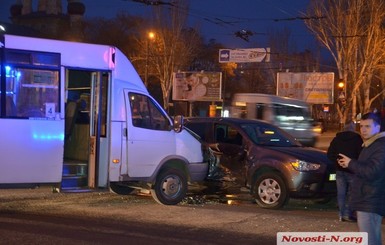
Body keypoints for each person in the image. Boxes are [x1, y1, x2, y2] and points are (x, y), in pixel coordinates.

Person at [338, 112, 385, 245]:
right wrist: (351, 164)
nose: (363, 130)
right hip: (368, 199)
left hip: (370, 200)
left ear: (378, 127)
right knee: (372, 239)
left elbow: (372, 171)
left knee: (369, 240)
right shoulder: (370, 144)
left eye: (368, 126)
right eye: (361, 126)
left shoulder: (380, 146)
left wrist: (351, 163)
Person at [327, 120, 363, 222]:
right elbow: (361, 154)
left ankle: (341, 214)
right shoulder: (357, 139)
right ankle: (348, 214)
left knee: (341, 193)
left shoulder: (337, 139)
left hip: (339, 170)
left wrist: (337, 162)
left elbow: (330, 154)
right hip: (352, 170)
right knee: (351, 193)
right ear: (353, 127)